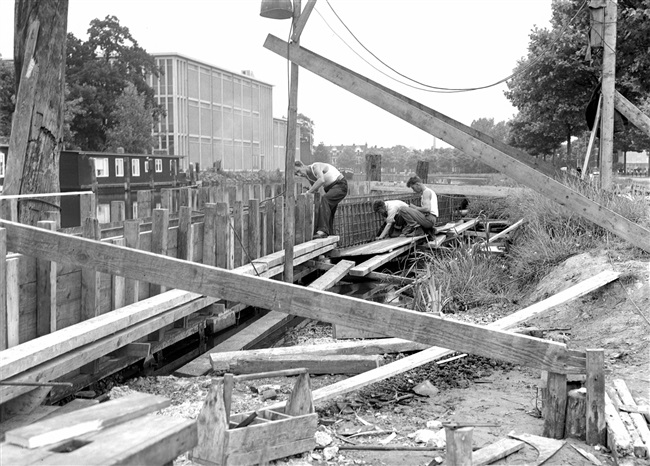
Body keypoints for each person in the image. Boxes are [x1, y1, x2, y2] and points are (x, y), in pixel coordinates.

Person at [294, 160, 348, 238]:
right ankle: (330, 233)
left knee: (325, 200)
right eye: (296, 174)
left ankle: (323, 231)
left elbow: (321, 180)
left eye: (298, 171)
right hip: (331, 188)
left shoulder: (315, 167)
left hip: (340, 185)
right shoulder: (308, 176)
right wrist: (308, 192)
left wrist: (308, 192)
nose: (299, 174)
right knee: (328, 211)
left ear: (302, 166)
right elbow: (315, 188)